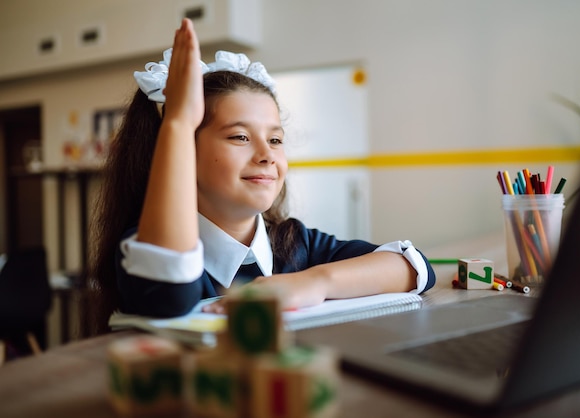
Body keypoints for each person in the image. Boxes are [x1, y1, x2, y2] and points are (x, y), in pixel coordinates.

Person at [87, 18, 435, 335]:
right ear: (182, 152)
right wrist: (177, 121)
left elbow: (414, 266)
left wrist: (315, 282)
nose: (267, 155)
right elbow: (170, 294)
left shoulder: (294, 243)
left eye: (276, 139)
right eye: (240, 136)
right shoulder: (141, 246)